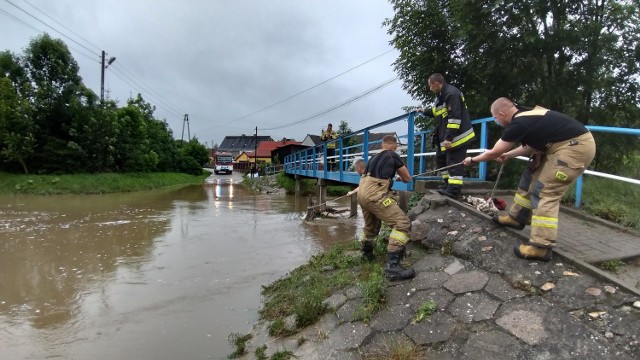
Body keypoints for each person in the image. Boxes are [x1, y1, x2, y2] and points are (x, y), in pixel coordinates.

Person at [462, 97, 596, 261]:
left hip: (575, 148)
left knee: (545, 192)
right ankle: (517, 218)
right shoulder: (525, 115)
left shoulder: (519, 124)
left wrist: (472, 160)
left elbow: (494, 152)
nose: (496, 121)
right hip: (560, 146)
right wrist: (509, 154)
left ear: (502, 114)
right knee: (529, 179)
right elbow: (531, 145)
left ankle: (541, 247)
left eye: (495, 118)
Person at [357, 135, 415, 280]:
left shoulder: (373, 158)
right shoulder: (393, 155)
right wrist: (401, 177)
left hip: (362, 193)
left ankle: (366, 254)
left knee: (371, 227)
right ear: (394, 146)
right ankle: (393, 267)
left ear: (382, 145)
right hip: (375, 195)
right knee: (402, 224)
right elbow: (408, 178)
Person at [421, 73, 475, 198]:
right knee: (441, 160)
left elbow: (455, 118)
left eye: (430, 86)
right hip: (446, 137)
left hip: (457, 137)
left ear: (436, 84)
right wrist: (424, 111)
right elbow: (436, 112)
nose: (430, 89)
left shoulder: (451, 94)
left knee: (454, 162)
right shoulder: (441, 96)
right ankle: (448, 185)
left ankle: (454, 190)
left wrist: (449, 138)